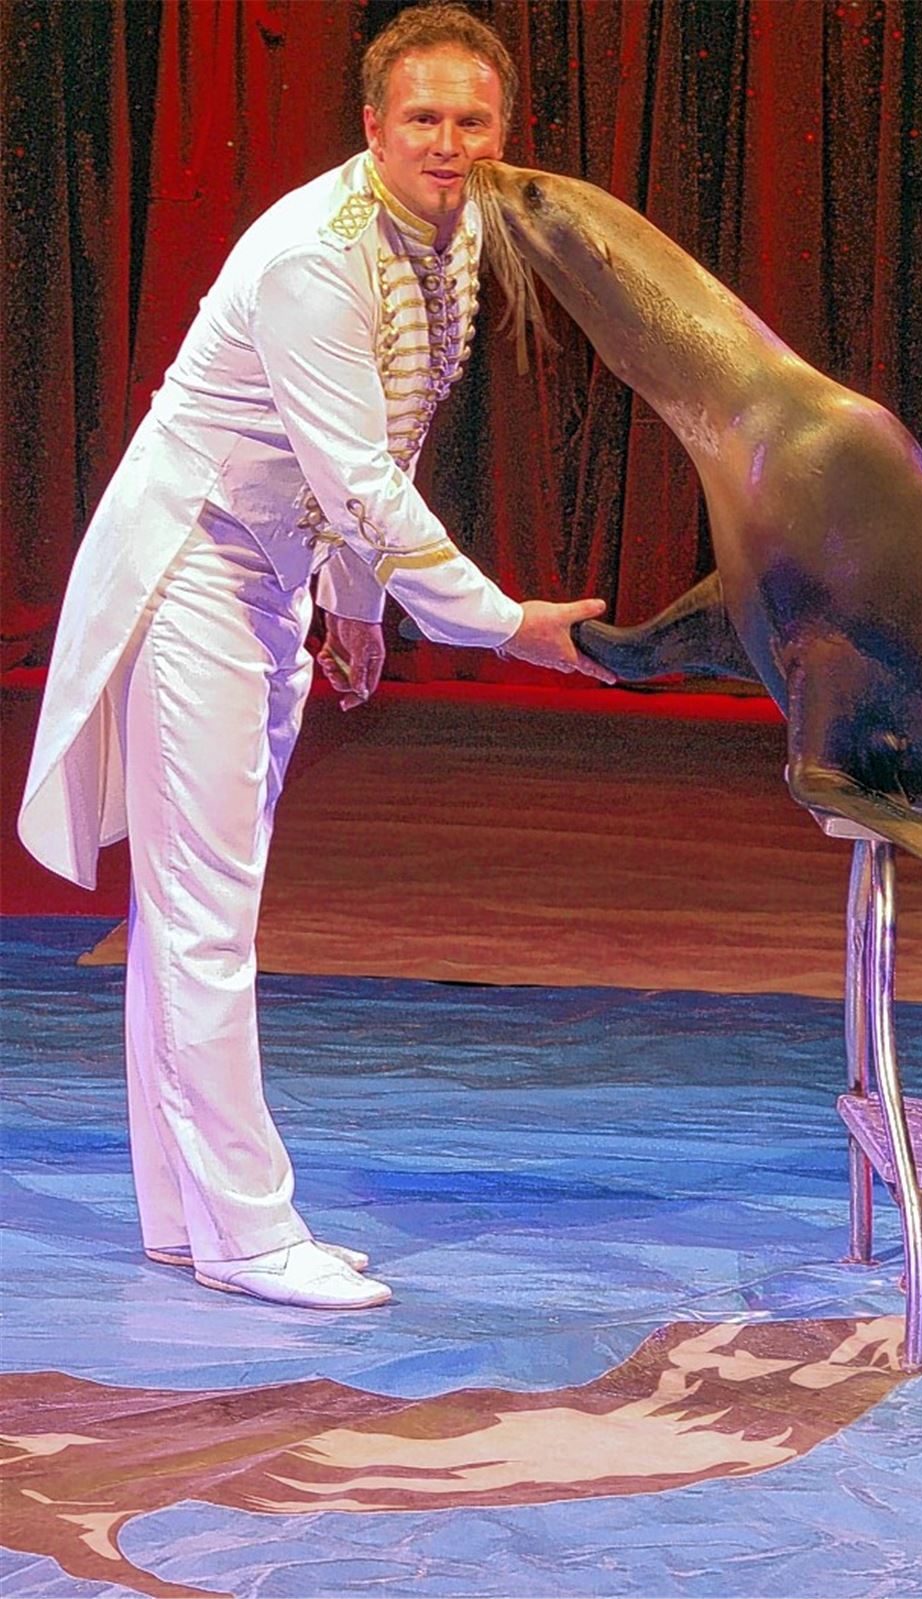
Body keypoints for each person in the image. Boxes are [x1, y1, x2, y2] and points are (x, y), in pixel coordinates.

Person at [18, 3, 612, 1311]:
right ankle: (246, 1230)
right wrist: (506, 624)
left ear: (501, 135)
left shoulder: (447, 248)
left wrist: (353, 606)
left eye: (472, 121)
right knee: (204, 908)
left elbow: (375, 446)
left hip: (268, 573)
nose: (448, 144)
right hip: (193, 569)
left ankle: (188, 1214)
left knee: (190, 905)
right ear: (372, 126)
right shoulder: (315, 256)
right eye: (423, 119)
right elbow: (356, 476)